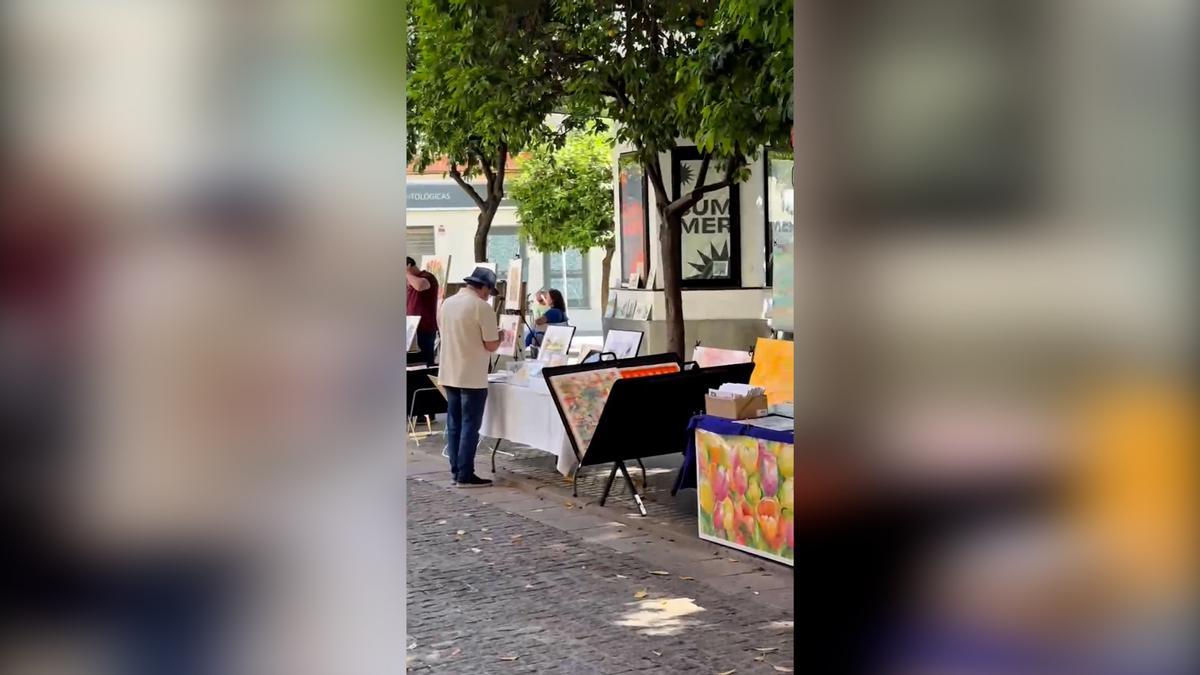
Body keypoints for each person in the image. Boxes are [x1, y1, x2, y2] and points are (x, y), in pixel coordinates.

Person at [438, 267, 504, 487]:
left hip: (449, 371)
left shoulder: (447, 303)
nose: (489, 295)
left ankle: (456, 470)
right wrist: (502, 335)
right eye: (488, 291)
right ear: (482, 287)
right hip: (472, 374)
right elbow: (491, 344)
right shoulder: (481, 307)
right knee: (469, 425)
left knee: (454, 423)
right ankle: (466, 473)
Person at [405, 257, 439, 366]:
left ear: (409, 265)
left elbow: (420, 286)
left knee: (425, 362)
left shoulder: (427, 277)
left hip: (425, 328)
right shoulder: (410, 281)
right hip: (412, 328)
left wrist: (406, 273)